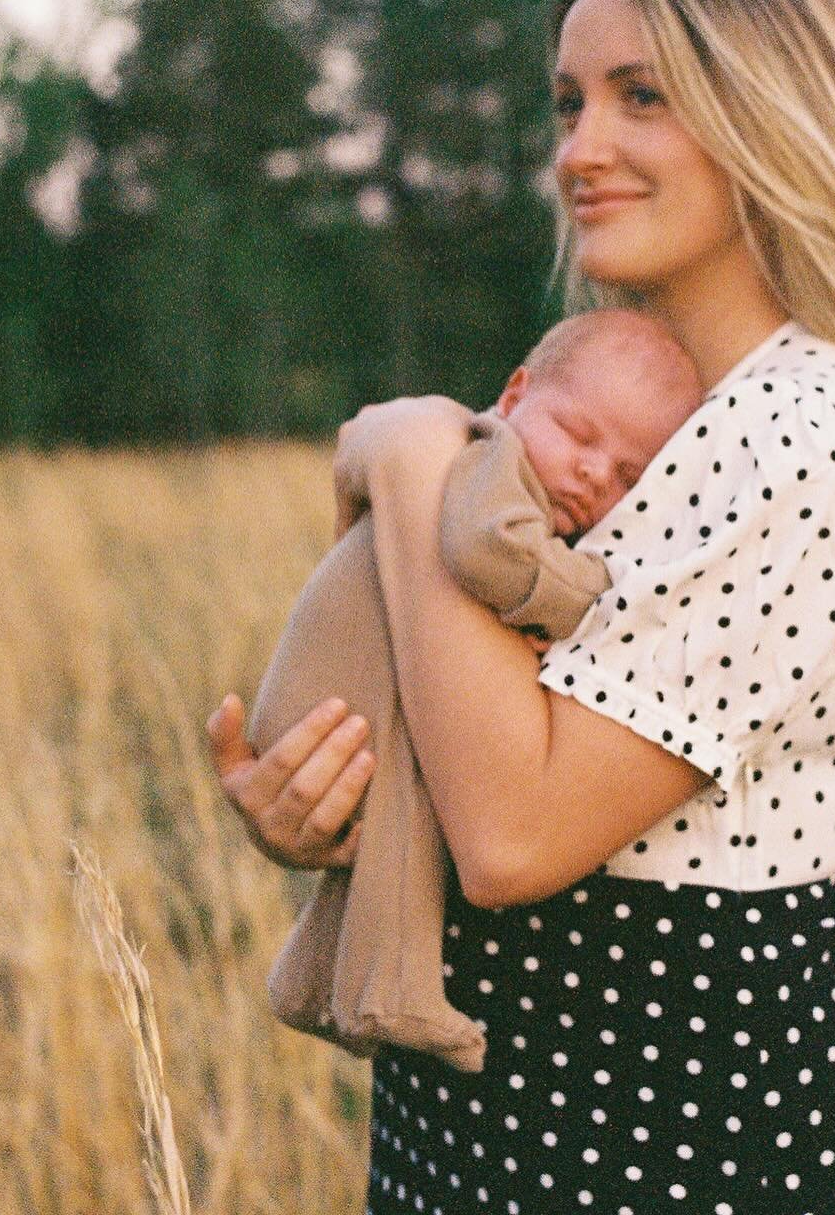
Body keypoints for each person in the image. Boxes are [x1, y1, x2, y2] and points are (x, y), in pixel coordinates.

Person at [208, 0, 835, 1213]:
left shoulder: (807, 433)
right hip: (501, 1151)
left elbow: (513, 836)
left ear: (777, 116)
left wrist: (410, 459)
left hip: (715, 1162)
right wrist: (325, 812)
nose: (582, 149)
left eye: (644, 97)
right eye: (568, 102)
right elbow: (473, 751)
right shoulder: (631, 422)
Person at [245, 308, 702, 1074]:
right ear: (516, 395)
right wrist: (587, 598)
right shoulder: (488, 460)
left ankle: (307, 977)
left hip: (335, 698)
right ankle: (393, 991)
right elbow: (487, 553)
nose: (595, 474)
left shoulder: (464, 456)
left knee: (414, 802)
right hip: (334, 705)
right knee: (424, 801)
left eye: (630, 475)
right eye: (580, 435)